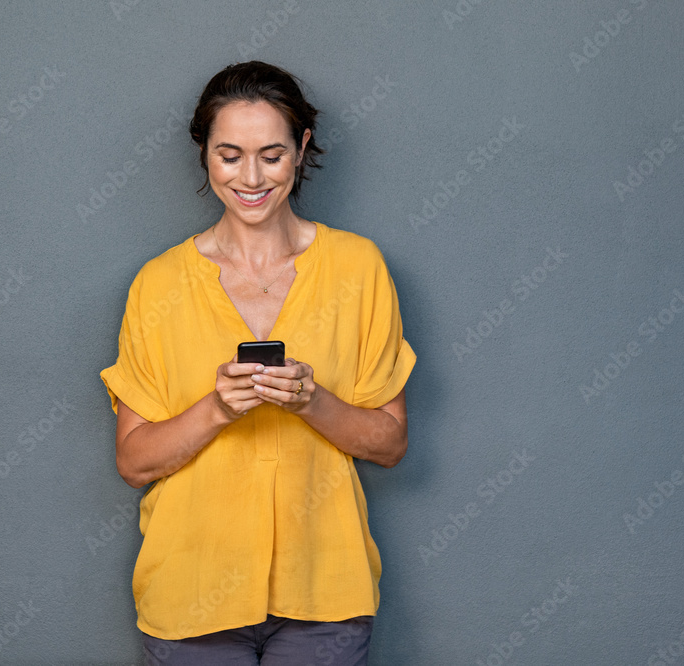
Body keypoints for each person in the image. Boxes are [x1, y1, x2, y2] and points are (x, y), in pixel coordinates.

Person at [99, 60, 416, 665]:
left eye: (271, 155)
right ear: (204, 154)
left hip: (325, 594)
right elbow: (134, 462)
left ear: (301, 149)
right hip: (190, 596)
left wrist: (311, 402)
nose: (251, 177)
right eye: (229, 155)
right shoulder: (158, 284)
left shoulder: (359, 269)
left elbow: (390, 445)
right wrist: (216, 409)